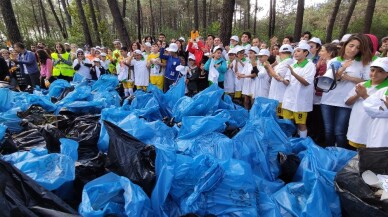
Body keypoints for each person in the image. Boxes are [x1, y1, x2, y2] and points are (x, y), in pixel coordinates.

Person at [320, 34, 372, 148]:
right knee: (328, 131)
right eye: (351, 45)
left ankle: (341, 156)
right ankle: (329, 155)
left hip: (347, 101)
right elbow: (330, 80)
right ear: (345, 45)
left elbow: (368, 81)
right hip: (328, 100)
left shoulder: (363, 63)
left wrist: (349, 78)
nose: (353, 49)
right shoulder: (334, 60)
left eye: (357, 47)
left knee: (340, 132)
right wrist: (342, 69)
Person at [345, 57, 388, 149]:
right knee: (356, 152)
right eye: (372, 70)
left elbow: (381, 109)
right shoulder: (362, 85)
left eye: (380, 71)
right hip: (357, 125)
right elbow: (347, 102)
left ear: (386, 74)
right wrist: (358, 95)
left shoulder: (385, 89)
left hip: (374, 130)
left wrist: (364, 95)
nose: (374, 74)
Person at [282, 43, 316, 138]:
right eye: (295, 51)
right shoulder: (293, 65)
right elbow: (287, 81)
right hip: (289, 99)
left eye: (298, 51)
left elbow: (306, 82)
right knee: (287, 123)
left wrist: (293, 73)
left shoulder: (310, 66)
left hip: (301, 101)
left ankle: (303, 142)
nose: (295, 53)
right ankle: (288, 142)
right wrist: (281, 79)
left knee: (301, 123)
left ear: (305, 53)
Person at [308, 43, 338, 146]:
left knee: (323, 122)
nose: (320, 53)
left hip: (324, 96)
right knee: (317, 119)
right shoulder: (322, 62)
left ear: (330, 53)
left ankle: (324, 142)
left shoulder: (332, 64)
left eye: (322, 51)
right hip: (320, 96)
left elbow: (324, 82)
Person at [267, 44, 295, 117]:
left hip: (280, 96)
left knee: (279, 117)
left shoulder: (288, 62)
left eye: (283, 53)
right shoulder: (281, 63)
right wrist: (270, 67)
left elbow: (277, 77)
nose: (281, 55)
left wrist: (268, 67)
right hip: (275, 94)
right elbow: (271, 75)